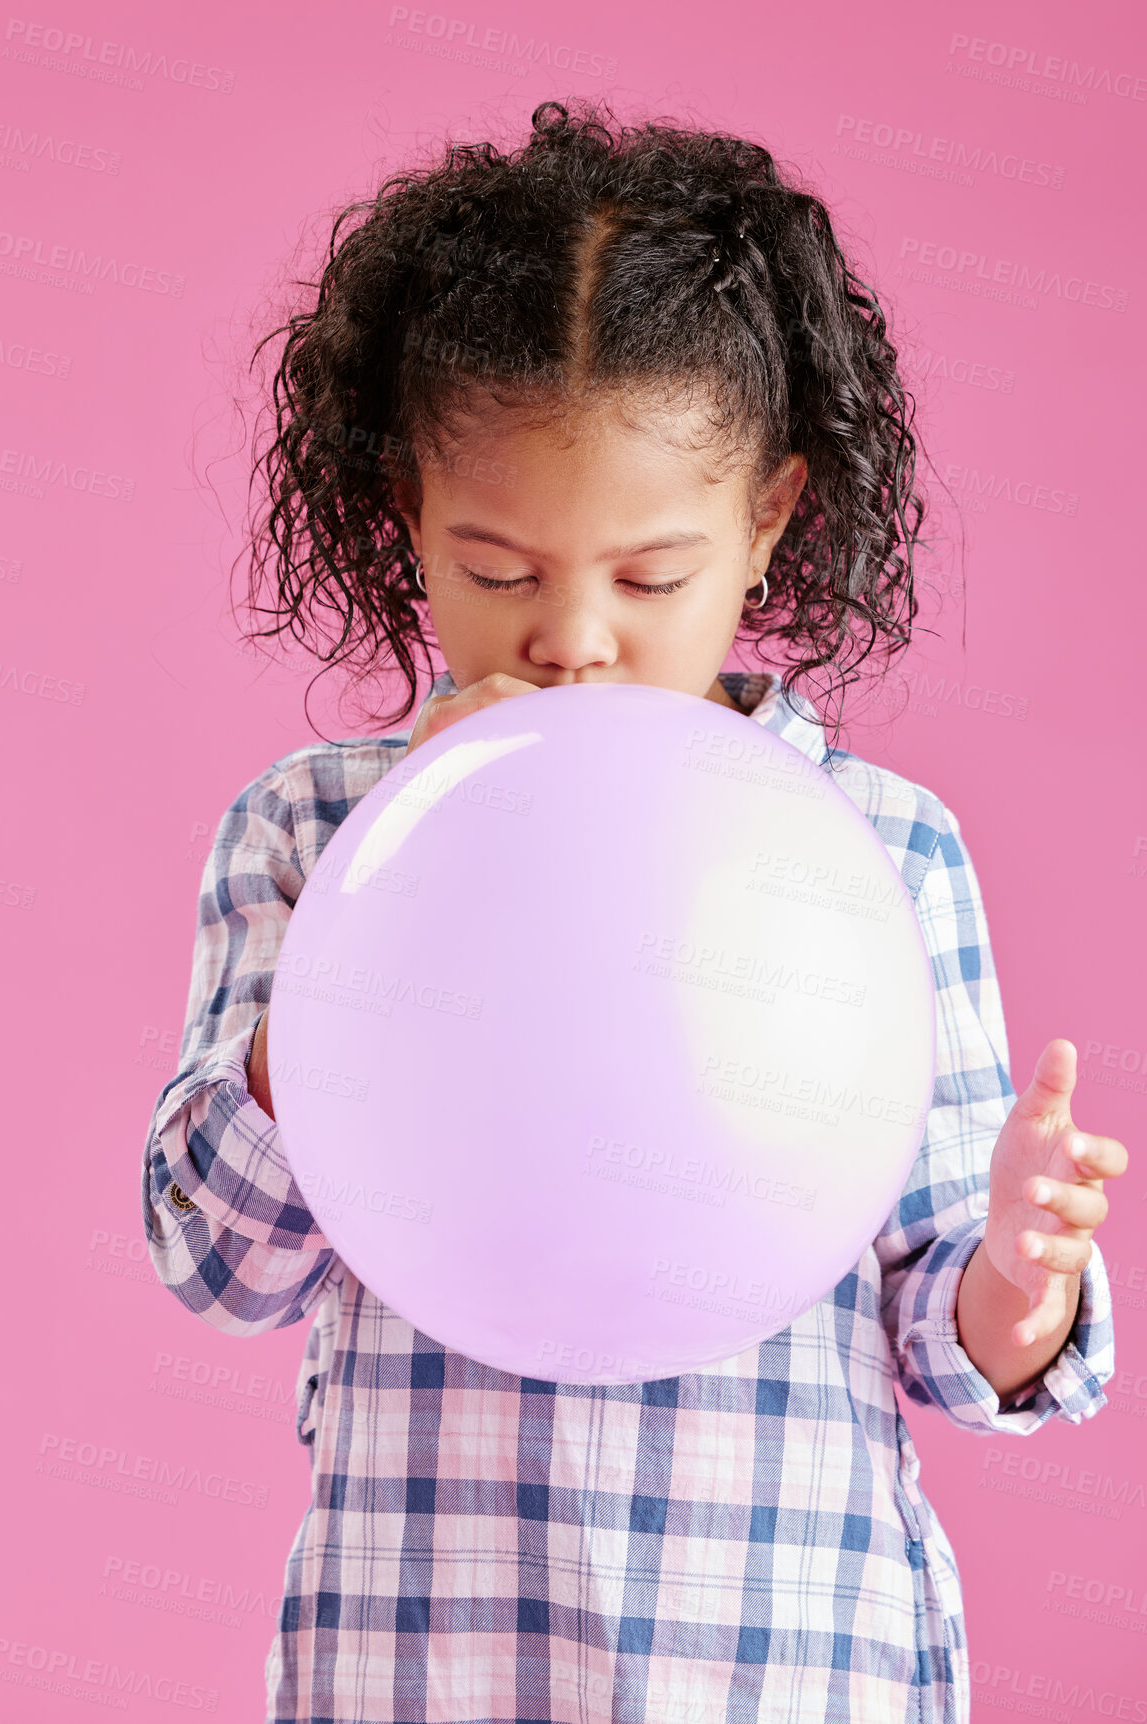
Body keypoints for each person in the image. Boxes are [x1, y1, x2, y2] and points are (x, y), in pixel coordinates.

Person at [141, 98, 1127, 1724]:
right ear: (402, 519)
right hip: (423, 1662)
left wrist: (1018, 1264)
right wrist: (369, 936)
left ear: (771, 522)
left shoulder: (878, 854)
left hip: (794, 1668)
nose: (575, 640)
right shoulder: (313, 833)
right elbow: (213, 1258)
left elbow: (955, 1345)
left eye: (648, 578)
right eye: (499, 570)